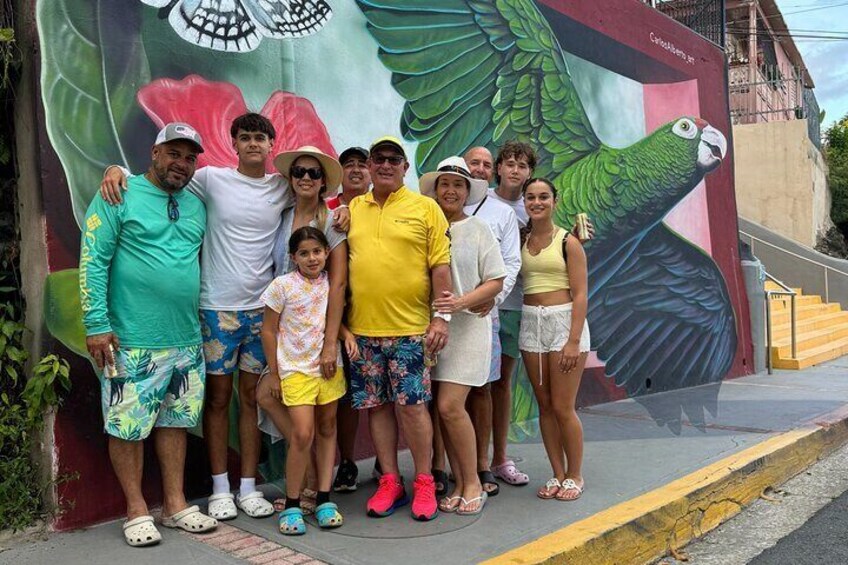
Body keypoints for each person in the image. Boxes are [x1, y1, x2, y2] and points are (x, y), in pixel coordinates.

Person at [99, 115, 349, 521]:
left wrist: (344, 209)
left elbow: (317, 199)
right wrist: (117, 170)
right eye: (245, 137)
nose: (253, 144)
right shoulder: (210, 179)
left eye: (260, 137)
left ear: (271, 145)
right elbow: (164, 176)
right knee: (217, 399)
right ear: (233, 142)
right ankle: (220, 489)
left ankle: (248, 487)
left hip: (261, 313)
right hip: (215, 308)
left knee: (251, 398)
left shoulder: (280, 188)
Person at [81, 123, 217, 547]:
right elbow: (93, 259)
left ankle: (175, 505)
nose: (182, 163)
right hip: (131, 341)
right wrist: (96, 324)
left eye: (190, 158)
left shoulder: (196, 205)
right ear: (155, 153)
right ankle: (136, 509)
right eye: (174, 153)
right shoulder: (118, 194)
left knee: (176, 423)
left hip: (186, 340)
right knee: (126, 426)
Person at [347, 136, 452, 521]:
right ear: (369, 166)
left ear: (405, 168)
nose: (386, 165)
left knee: (412, 408)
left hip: (411, 331)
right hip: (363, 331)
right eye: (379, 159)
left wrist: (441, 317)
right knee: (377, 408)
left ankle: (424, 480)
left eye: (394, 159)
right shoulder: (353, 208)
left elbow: (440, 266)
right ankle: (390, 481)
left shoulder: (426, 208)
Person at [255, 145, 348, 513]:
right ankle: (306, 476)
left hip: (316, 331)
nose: (306, 178)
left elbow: (337, 285)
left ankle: (314, 488)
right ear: (290, 179)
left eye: (313, 172)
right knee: (267, 395)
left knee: (321, 420)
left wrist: (332, 343)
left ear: (323, 181)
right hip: (280, 320)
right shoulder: (281, 215)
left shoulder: (333, 221)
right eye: (299, 172)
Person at [419, 157, 505, 515]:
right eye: (445, 184)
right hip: (432, 332)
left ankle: (472, 482)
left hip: (469, 329)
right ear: (435, 189)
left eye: (458, 185)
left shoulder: (478, 229)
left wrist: (461, 302)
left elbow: (496, 280)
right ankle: (458, 482)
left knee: (450, 406)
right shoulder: (426, 226)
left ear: (468, 192)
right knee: (444, 413)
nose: (451, 191)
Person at [260, 226, 356, 535]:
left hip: (328, 367)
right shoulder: (282, 286)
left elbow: (328, 319)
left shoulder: (330, 284)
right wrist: (274, 373)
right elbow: (268, 330)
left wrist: (345, 334)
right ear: (293, 257)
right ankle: (293, 503)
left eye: (317, 251)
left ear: (327, 253)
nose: (312, 258)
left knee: (327, 428)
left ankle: (324, 499)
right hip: (294, 368)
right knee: (302, 433)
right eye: (304, 253)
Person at [519, 178, 590, 501]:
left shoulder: (568, 242)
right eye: (531, 197)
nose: (537, 202)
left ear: (554, 201)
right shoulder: (520, 239)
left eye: (543, 197)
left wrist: (572, 341)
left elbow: (581, 294)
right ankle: (557, 473)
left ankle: (575, 475)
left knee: (563, 407)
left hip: (563, 323)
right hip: (531, 323)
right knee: (544, 405)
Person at [488, 141, 536, 487]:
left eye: (522, 165)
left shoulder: (533, 206)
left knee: (502, 383)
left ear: (530, 172)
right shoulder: (480, 202)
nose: (515, 170)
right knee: (476, 386)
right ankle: (471, 461)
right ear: (499, 168)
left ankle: (499, 458)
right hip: (481, 305)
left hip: (515, 305)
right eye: (510, 163)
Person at [327, 146, 372, 493]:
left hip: (376, 314)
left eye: (362, 164)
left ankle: (387, 463)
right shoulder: (328, 209)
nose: (356, 170)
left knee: (383, 393)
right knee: (344, 396)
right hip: (335, 316)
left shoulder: (379, 206)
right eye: (349, 165)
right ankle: (346, 461)